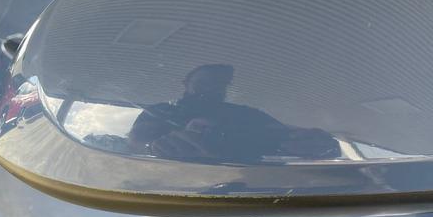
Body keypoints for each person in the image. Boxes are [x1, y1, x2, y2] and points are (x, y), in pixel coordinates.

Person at [128, 64, 340, 162]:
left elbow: (288, 136)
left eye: (216, 84)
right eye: (202, 83)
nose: (208, 89)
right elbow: (134, 147)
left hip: (246, 184)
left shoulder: (247, 115)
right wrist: (163, 147)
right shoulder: (160, 111)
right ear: (186, 83)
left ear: (224, 88)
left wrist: (319, 144)